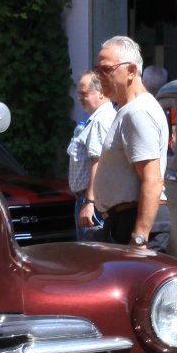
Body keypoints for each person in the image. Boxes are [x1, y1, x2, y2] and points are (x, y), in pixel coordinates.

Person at [90, 35, 170, 251]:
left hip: (134, 223)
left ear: (131, 71)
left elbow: (152, 180)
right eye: (97, 70)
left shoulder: (138, 112)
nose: (99, 77)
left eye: (106, 70)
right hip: (125, 221)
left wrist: (139, 238)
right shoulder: (130, 110)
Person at [66, 70, 114, 240]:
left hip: (92, 202)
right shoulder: (95, 118)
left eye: (83, 93)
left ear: (100, 92)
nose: (79, 98)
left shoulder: (100, 120)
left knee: (91, 252)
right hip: (88, 199)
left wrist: (89, 202)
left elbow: (98, 162)